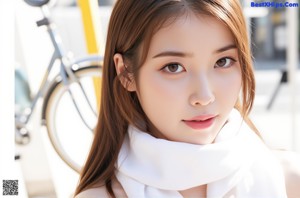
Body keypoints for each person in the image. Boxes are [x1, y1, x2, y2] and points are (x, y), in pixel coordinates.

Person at [74, 0, 290, 197]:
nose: (204, 97)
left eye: (223, 61)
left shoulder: (283, 178)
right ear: (126, 73)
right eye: (173, 67)